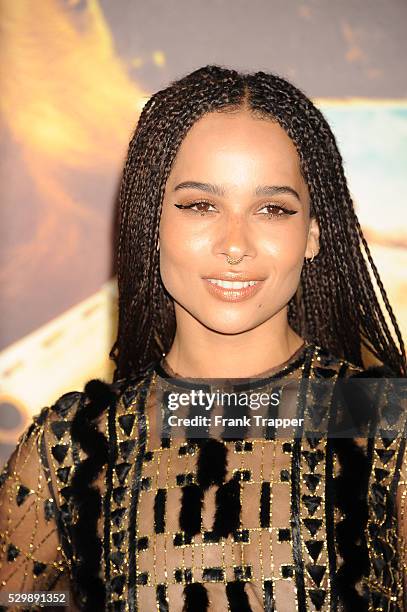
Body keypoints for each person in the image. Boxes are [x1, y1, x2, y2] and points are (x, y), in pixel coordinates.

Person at [0, 65, 406, 612]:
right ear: (153, 222)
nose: (234, 244)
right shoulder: (69, 447)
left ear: (312, 233)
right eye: (200, 205)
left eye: (272, 209)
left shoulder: (388, 432)